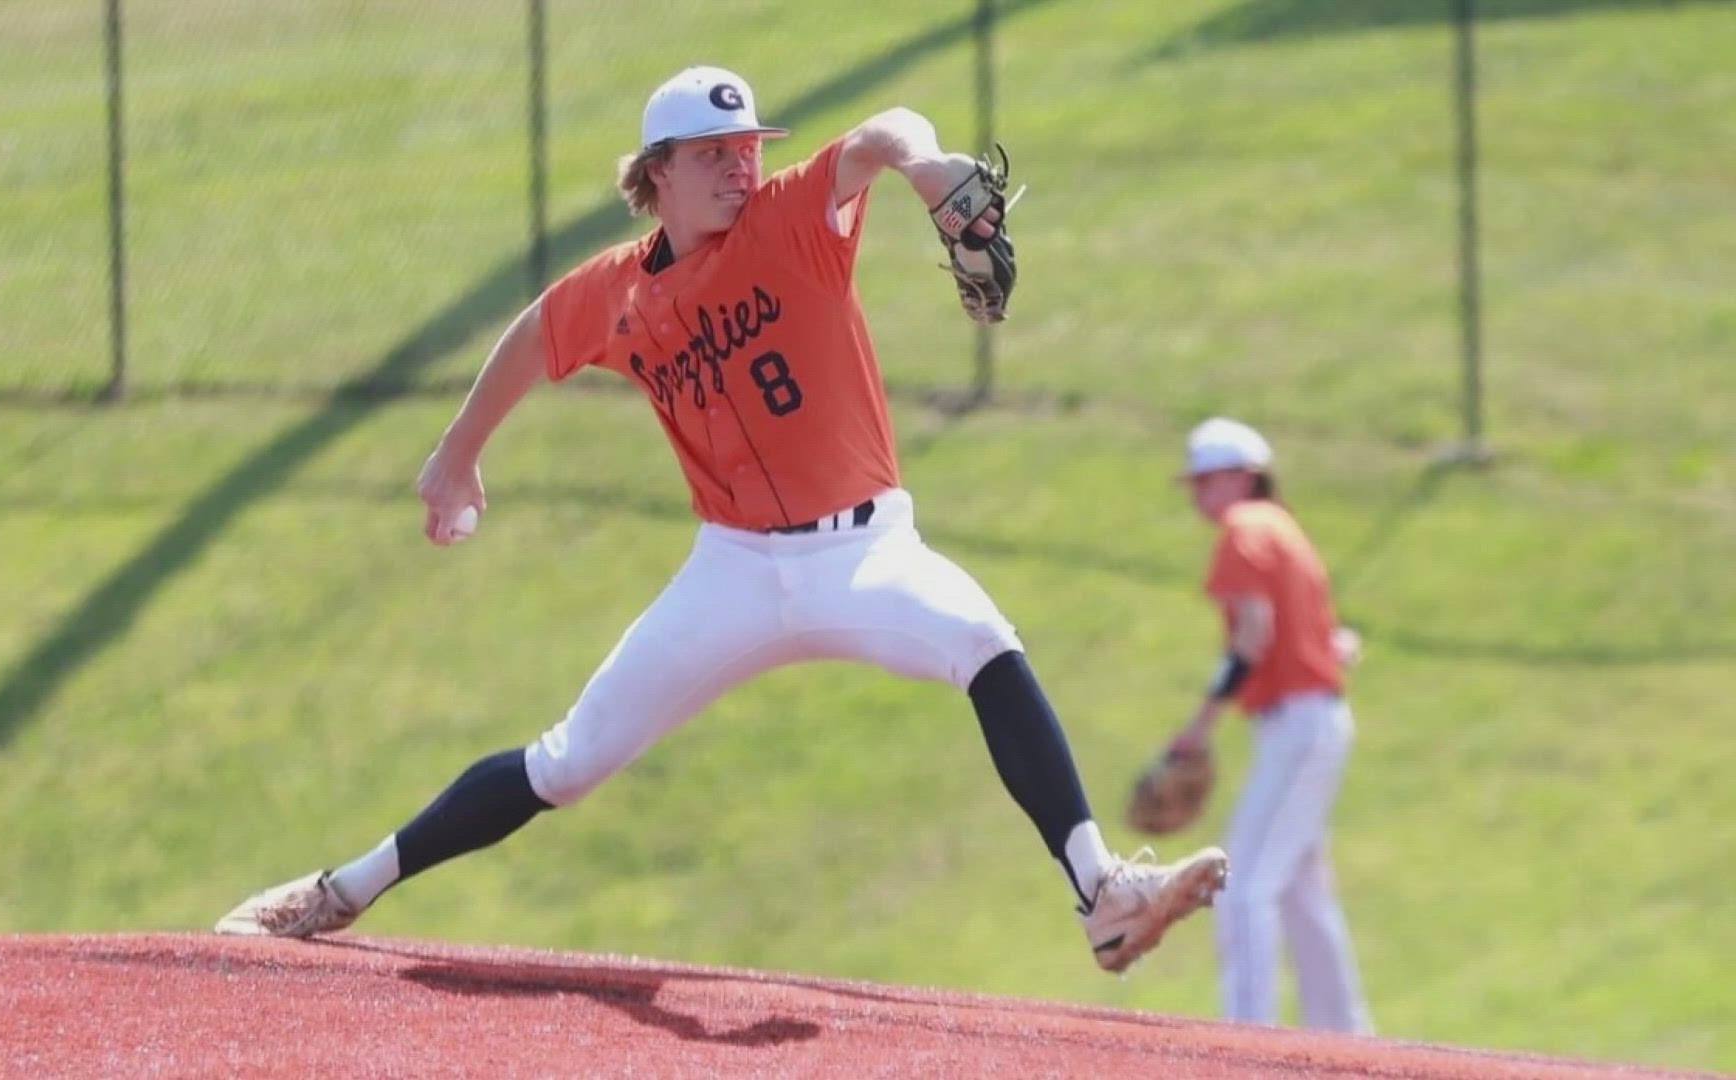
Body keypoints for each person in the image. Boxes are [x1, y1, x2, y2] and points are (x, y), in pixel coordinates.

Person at [216, 65, 1227, 975]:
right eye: (713, 156)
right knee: (567, 764)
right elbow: (533, 335)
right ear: (656, 173)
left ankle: (1103, 895)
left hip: (866, 553)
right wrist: (455, 458)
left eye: (747, 150)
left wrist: (926, 169)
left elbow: (880, 133)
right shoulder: (615, 292)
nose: (741, 170)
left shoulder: (791, 221)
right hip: (734, 570)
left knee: (983, 641)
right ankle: (338, 892)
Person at [1167, 417, 1373, 1031]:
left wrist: (1199, 727)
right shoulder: (1286, 530)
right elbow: (1338, 641)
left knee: (1245, 880)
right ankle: (1347, 1040)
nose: (1199, 494)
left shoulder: (1244, 528)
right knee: (1302, 889)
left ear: (1243, 476)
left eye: (1207, 479)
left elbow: (1252, 638)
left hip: (1299, 722)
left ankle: (1248, 1041)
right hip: (1313, 720)